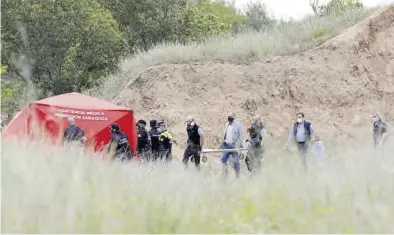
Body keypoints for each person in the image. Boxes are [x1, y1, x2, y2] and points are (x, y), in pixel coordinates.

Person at [220, 112, 244, 178]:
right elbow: (225, 134)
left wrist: (237, 145)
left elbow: (241, 136)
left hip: (234, 146)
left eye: (231, 116)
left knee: (236, 162)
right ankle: (225, 176)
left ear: (234, 117)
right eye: (228, 116)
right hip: (226, 146)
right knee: (223, 160)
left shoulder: (238, 125)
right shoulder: (226, 124)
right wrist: (223, 143)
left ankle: (237, 177)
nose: (229, 117)